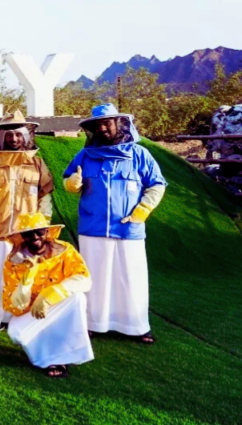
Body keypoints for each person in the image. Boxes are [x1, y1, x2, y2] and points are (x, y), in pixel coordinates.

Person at [63, 103, 167, 344]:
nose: (102, 128)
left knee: (131, 277)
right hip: (93, 226)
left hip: (128, 227)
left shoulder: (140, 154)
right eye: (98, 125)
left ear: (120, 124)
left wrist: (143, 210)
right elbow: (68, 179)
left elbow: (157, 184)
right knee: (94, 277)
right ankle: (93, 323)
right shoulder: (85, 155)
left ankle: (136, 326)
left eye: (107, 123)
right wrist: (73, 182)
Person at [0, 111, 54, 321]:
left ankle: (19, 315)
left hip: (25, 232)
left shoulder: (37, 163)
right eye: (9, 135)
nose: (14, 138)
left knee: (22, 274)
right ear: (1, 137)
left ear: (26, 136)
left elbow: (45, 195)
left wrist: (44, 221)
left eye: (18, 134)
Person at [3, 213, 94, 378]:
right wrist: (27, 279)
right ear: (22, 236)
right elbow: (14, 306)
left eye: (39, 232)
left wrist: (50, 294)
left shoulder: (65, 250)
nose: (35, 237)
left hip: (60, 309)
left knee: (78, 298)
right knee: (15, 332)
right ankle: (44, 355)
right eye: (29, 233)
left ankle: (62, 359)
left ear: (47, 232)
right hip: (31, 314)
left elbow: (84, 280)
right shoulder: (13, 262)